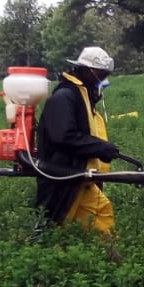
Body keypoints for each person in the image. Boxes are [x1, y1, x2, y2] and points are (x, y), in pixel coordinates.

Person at [33, 46, 120, 235]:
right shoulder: (64, 96)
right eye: (101, 74)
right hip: (62, 176)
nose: (103, 79)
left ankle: (103, 252)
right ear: (87, 70)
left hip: (78, 175)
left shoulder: (82, 94)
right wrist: (100, 148)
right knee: (53, 227)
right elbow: (63, 136)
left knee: (99, 213)